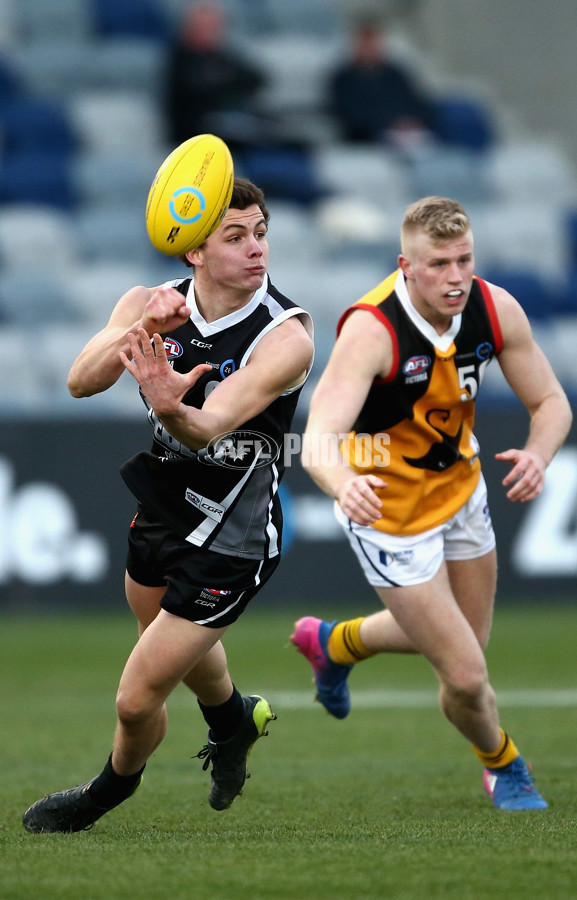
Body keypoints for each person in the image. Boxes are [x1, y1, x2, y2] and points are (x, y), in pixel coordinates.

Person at [22, 177, 314, 833]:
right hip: (161, 508)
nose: (256, 249)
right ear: (193, 251)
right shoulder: (151, 303)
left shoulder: (285, 335)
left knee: (136, 697)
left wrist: (167, 406)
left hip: (233, 537)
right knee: (171, 647)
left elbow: (209, 429)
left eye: (261, 232)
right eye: (234, 236)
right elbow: (79, 381)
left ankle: (104, 795)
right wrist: (141, 326)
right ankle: (234, 721)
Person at [292, 195, 572, 811]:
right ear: (406, 265)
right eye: (439, 264)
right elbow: (317, 441)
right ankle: (504, 764)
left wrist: (538, 455)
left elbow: (552, 403)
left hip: (463, 494)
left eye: (464, 260)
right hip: (388, 515)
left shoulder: (495, 309)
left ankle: (335, 644)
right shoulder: (373, 329)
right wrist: (345, 485)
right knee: (468, 677)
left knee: (460, 649)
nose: (455, 277)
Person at [165, 2, 270, 152]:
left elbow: (256, 79)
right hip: (195, 137)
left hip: (231, 126)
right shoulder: (179, 59)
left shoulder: (223, 56)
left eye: (214, 26)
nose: (210, 32)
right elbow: (197, 90)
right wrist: (227, 81)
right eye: (203, 27)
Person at [328, 18, 437, 151]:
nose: (369, 48)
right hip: (367, 142)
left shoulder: (396, 74)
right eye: (364, 42)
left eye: (373, 42)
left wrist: (411, 121)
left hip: (408, 136)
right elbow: (350, 116)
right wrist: (390, 124)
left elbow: (415, 102)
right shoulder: (343, 79)